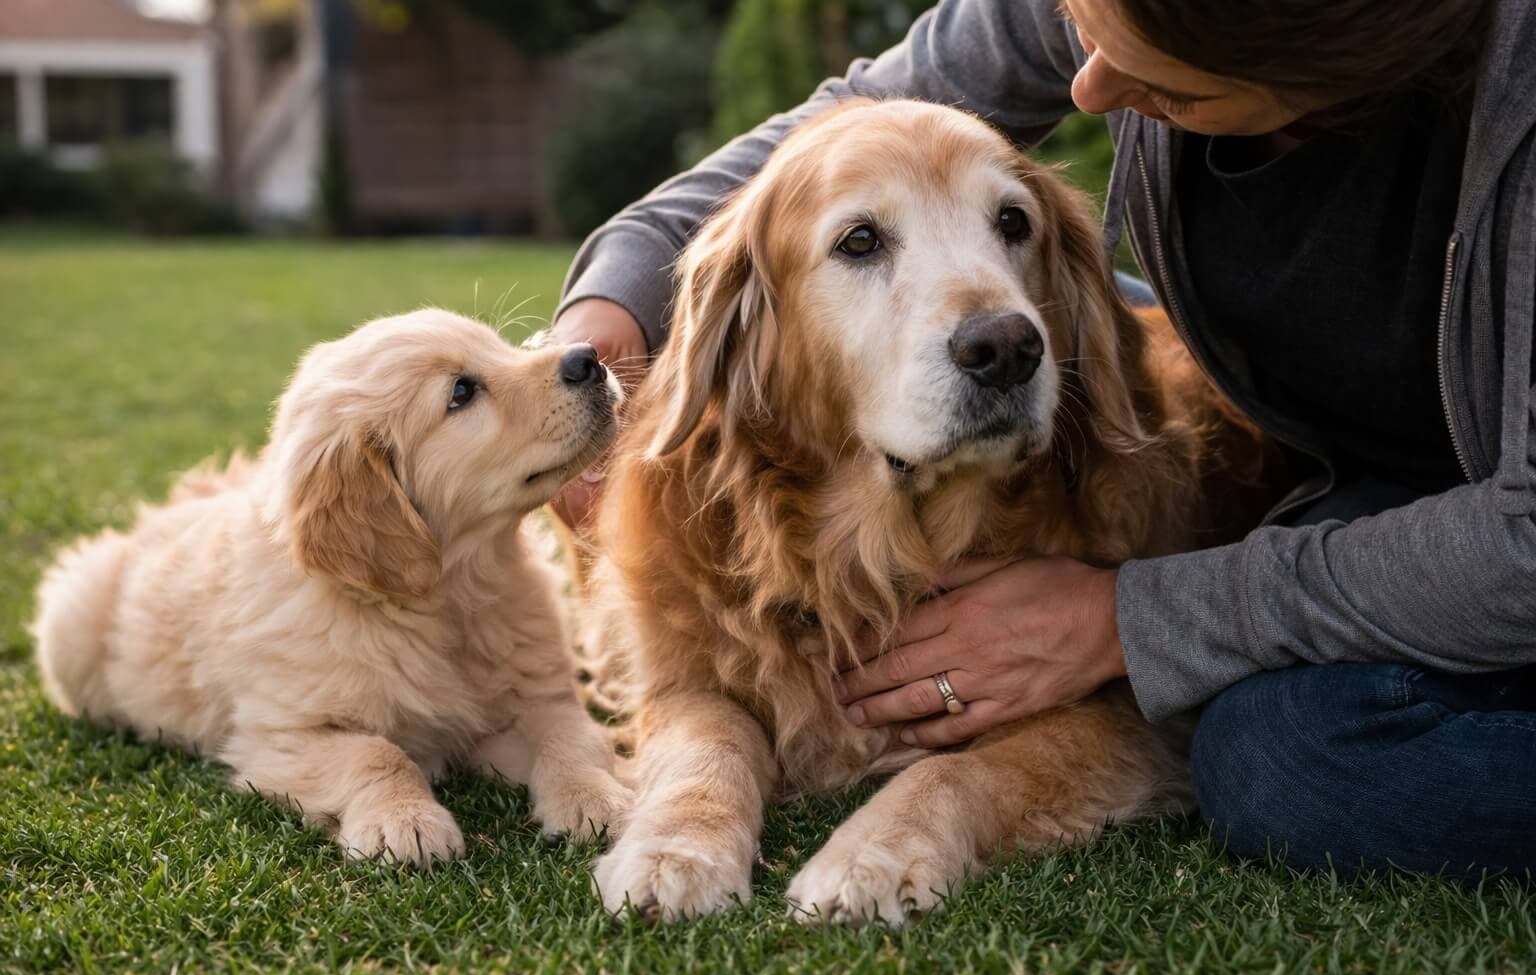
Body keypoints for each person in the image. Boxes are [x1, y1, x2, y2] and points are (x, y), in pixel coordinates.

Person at [551, 0, 1536, 877]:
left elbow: (1523, 543)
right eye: (861, 244)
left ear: (1322, 67)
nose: (1088, 85)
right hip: (1313, 433)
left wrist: (1125, 616)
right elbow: (845, 124)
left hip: (1485, 509)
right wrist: (614, 297)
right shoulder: (1107, 12)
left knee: (1281, 757)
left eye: (1162, 86)